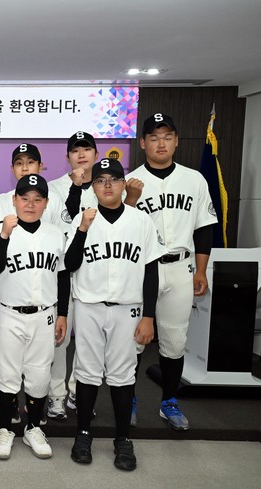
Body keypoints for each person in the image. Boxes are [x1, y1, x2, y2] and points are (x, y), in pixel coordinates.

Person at [64, 158, 165, 471]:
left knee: (123, 375)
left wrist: (149, 316)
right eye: (100, 180)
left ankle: (123, 439)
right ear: (92, 187)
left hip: (127, 308)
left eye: (114, 179)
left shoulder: (141, 221)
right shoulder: (82, 219)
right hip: (89, 305)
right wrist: (82, 229)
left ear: (124, 184)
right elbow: (70, 263)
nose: (107, 185)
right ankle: (83, 434)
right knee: (87, 372)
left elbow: (151, 272)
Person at [124, 113, 217, 430]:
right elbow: (121, 228)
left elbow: (204, 228)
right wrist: (131, 199)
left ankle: (169, 401)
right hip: (142, 270)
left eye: (166, 136)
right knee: (135, 340)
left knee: (175, 341)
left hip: (180, 268)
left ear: (176, 140)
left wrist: (201, 271)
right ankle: (128, 399)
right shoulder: (130, 182)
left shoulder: (194, 180)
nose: (160, 143)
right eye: (154, 137)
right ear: (143, 143)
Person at [0, 174, 68, 461]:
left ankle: (33, 427)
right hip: (9, 312)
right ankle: (5, 429)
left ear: (46, 203)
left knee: (39, 374)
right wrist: (4, 235)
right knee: (7, 373)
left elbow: (63, 276)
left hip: (45, 314)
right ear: (14, 200)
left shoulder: (55, 234)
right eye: (24, 198)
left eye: (37, 199)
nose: (30, 204)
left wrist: (63, 314)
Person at [46, 131, 101, 420]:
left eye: (87, 149)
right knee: (60, 338)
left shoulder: (106, 185)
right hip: (63, 270)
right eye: (76, 150)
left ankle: (78, 391)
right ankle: (56, 395)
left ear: (96, 154)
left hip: (94, 270)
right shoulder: (53, 188)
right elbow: (64, 222)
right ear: (67, 156)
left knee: (88, 338)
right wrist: (76, 187)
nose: (81, 154)